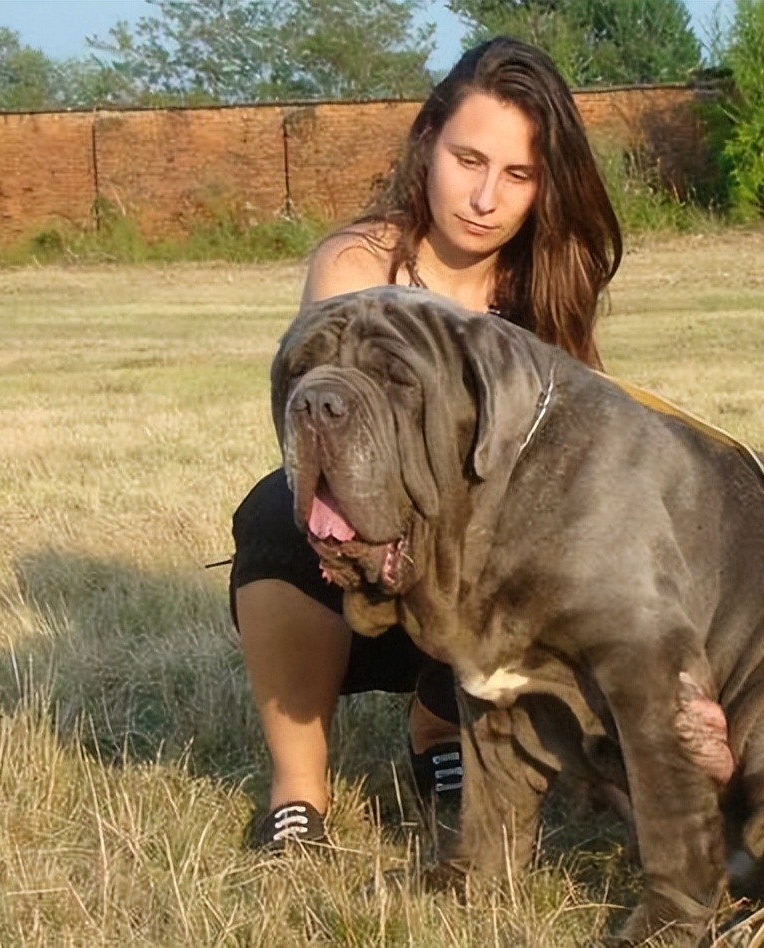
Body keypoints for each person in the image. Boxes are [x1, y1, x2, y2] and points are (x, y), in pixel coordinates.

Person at [229, 36, 623, 848]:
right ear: (429, 143)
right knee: (274, 514)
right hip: (363, 548)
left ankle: (441, 729)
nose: (484, 197)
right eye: (467, 159)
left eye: (517, 174)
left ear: (546, 185)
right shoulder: (357, 264)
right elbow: (341, 438)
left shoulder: (553, 280)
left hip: (481, 569)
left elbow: (575, 458)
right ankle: (298, 791)